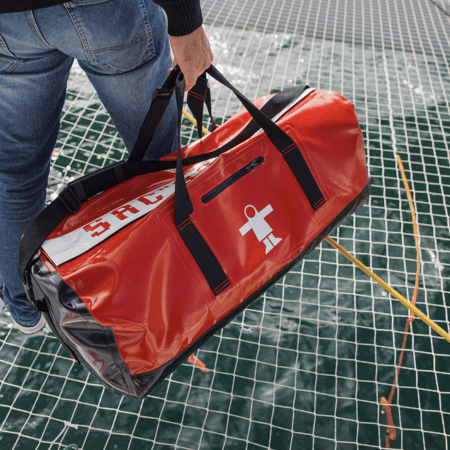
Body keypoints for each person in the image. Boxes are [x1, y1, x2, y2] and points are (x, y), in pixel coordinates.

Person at [0, 0, 213, 334]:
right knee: (158, 166)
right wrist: (186, 22)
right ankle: (172, 297)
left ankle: (27, 310)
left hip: (8, 21)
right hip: (105, 11)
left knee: (16, 176)